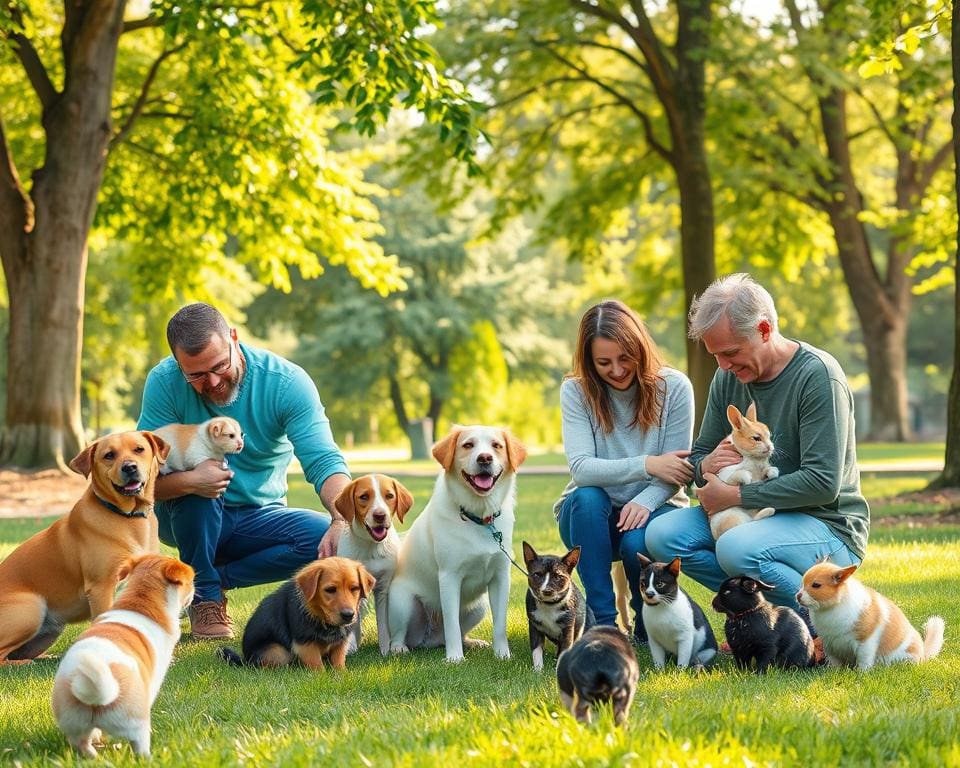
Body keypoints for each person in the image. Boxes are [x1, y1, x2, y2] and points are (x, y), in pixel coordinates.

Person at [644, 273, 869, 632]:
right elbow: (700, 455)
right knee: (661, 536)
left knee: (736, 548)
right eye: (716, 355)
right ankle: (761, 615)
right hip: (748, 515)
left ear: (764, 329)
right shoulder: (728, 376)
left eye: (731, 352)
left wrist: (735, 493)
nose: (723, 365)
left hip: (825, 524)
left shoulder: (817, 377)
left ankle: (821, 628)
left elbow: (823, 483)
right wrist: (708, 464)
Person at [137, 303, 351, 639]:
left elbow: (323, 461)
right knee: (200, 489)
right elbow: (141, 480)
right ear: (179, 366)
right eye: (195, 375)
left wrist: (342, 519)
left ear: (234, 339)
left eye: (219, 366)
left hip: (259, 519)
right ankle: (205, 598)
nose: (213, 382)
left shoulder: (286, 383)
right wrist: (192, 480)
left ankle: (203, 577)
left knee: (324, 542)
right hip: (186, 517)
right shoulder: (163, 383)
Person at [554, 300, 695, 641]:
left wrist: (644, 501)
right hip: (588, 519)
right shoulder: (576, 390)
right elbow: (582, 470)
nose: (616, 370)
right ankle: (603, 622)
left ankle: (648, 626)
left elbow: (676, 472)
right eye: (603, 362)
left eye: (624, 358)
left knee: (637, 544)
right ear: (589, 361)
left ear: (640, 350)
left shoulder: (674, 388)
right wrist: (647, 463)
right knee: (587, 498)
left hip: (655, 508)